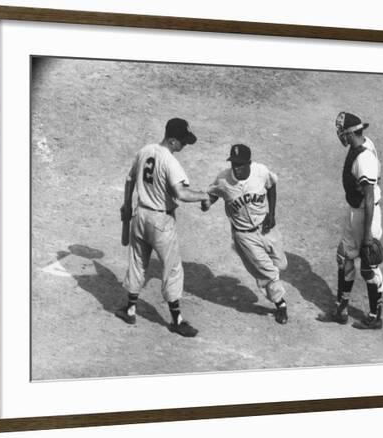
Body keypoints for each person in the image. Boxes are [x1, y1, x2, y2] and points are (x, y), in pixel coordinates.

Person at [115, 118, 211, 337]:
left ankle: (129, 308)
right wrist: (203, 195)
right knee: (173, 268)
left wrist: (127, 205)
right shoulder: (170, 161)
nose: (185, 146)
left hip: (140, 215)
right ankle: (176, 320)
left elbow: (129, 180)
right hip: (161, 221)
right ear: (172, 140)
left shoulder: (145, 150)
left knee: (137, 262)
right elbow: (181, 194)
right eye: (183, 142)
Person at [201, 144, 289, 324]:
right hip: (244, 235)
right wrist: (206, 203)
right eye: (234, 164)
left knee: (282, 264)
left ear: (249, 162)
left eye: (240, 164)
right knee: (269, 273)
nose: (237, 168)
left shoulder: (261, 171)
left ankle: (263, 274)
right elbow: (212, 194)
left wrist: (271, 214)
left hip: (266, 227)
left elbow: (271, 187)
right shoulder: (224, 180)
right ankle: (281, 305)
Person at [327, 111, 383, 329]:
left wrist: (368, 234)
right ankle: (341, 309)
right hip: (355, 211)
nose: (339, 136)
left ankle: (374, 316)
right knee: (344, 258)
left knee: (369, 265)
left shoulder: (364, 158)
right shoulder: (362, 143)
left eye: (341, 132)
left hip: (365, 215)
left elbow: (369, 198)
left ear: (349, 133)